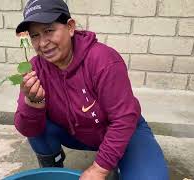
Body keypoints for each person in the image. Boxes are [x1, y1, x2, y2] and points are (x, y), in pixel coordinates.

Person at [14, 0, 169, 179]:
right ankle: (52, 168)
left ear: (70, 27)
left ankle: (117, 163)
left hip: (122, 129)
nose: (42, 43)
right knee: (37, 121)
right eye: (35, 35)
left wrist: (99, 169)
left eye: (49, 30)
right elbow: (27, 130)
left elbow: (123, 119)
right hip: (74, 132)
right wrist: (33, 102)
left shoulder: (103, 61)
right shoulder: (35, 69)